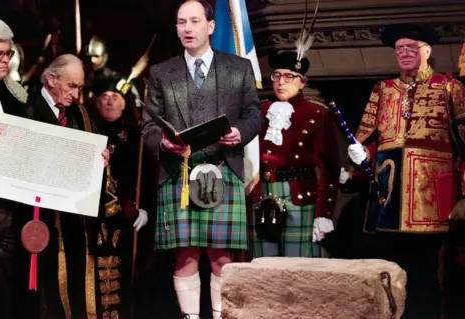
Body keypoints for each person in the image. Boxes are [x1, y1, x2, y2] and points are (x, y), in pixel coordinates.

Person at [141, 1, 261, 318]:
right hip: (179, 174)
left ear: (211, 26)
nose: (187, 28)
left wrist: (240, 132)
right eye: (181, 22)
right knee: (185, 257)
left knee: (222, 257)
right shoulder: (161, 73)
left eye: (194, 21)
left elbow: (253, 114)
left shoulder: (239, 67)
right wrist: (165, 143)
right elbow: (149, 125)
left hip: (224, 170)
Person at [342, 23, 465, 318]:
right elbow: (366, 139)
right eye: (400, 49)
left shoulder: (450, 87)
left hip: (433, 200)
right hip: (388, 199)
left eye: (412, 47)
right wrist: (359, 157)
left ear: (428, 50)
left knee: (431, 276)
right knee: (389, 272)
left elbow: (463, 144)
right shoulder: (382, 89)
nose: (405, 53)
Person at [22, 54, 110, 318]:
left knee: (77, 277)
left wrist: (101, 160)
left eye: (80, 87)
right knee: (45, 286)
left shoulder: (81, 114)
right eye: (71, 86)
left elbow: (92, 158)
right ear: (51, 79)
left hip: (74, 215)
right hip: (36, 216)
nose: (76, 94)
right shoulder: (24, 107)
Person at [251, 51, 340, 258]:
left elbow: (329, 168)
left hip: (300, 195)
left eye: (288, 76)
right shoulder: (259, 111)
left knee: (299, 266)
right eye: (276, 76)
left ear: (302, 82)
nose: (281, 82)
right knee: (263, 268)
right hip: (263, 193)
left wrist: (324, 214)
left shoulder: (317, 113)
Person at [91, 76, 155, 318]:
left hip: (128, 215)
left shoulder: (136, 135)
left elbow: (148, 176)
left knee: (126, 270)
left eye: (114, 97)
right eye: (104, 97)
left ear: (124, 104)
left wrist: (146, 208)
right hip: (93, 215)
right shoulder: (88, 129)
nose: (108, 102)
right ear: (96, 103)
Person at [0, 16, 29, 319]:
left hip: (8, 201)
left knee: (3, 283)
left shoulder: (11, 93)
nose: (5, 60)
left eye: (8, 53)